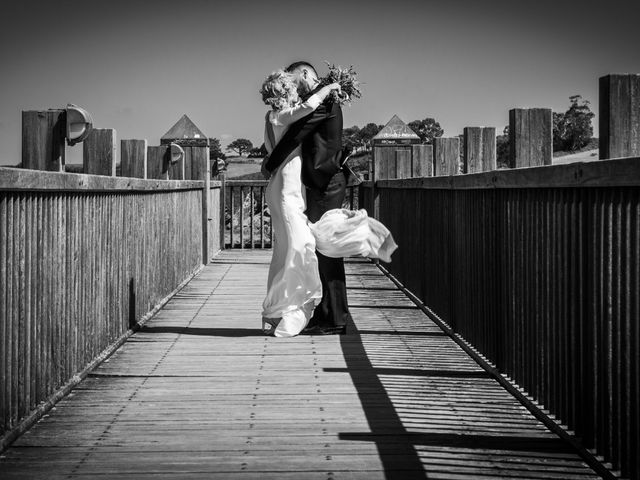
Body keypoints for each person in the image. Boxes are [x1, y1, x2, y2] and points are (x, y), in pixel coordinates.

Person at [260, 61, 397, 338]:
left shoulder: (324, 100)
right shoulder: (313, 101)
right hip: (314, 183)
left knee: (325, 248)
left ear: (307, 74)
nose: (294, 86)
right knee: (321, 248)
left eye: (295, 78)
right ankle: (325, 311)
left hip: (325, 182)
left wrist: (270, 163)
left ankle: (333, 316)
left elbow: (296, 134)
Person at [259, 69, 342, 337]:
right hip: (286, 187)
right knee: (299, 245)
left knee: (285, 249)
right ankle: (289, 310)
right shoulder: (284, 115)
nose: (297, 90)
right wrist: (329, 89)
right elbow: (308, 106)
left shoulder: (271, 117)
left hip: (281, 186)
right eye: (292, 87)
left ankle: (275, 313)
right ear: (285, 91)